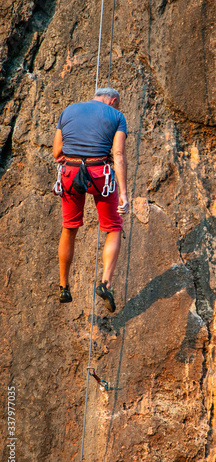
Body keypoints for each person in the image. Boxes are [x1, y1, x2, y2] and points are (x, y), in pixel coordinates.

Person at [52, 87, 129, 312]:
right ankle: (105, 283)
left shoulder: (67, 111)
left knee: (69, 228)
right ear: (113, 101)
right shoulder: (117, 116)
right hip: (100, 176)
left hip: (70, 174)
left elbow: (57, 152)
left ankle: (64, 286)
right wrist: (124, 193)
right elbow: (118, 155)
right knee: (114, 227)